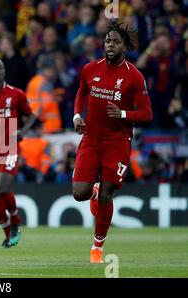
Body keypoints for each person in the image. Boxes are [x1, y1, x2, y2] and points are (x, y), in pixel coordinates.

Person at [72, 23, 152, 263]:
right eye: (107, 41)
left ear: (124, 47)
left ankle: (97, 246)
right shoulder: (90, 69)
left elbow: (147, 114)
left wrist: (124, 114)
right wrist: (77, 115)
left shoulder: (134, 76)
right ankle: (92, 193)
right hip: (91, 138)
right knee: (79, 193)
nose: (110, 45)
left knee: (108, 193)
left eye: (115, 42)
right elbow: (81, 93)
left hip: (117, 141)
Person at [0, 58, 35, 248]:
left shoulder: (16, 94)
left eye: (0, 67)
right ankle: (8, 235)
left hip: (10, 147)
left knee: (3, 187)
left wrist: (23, 131)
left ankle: (15, 222)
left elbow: (31, 116)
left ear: (5, 71)